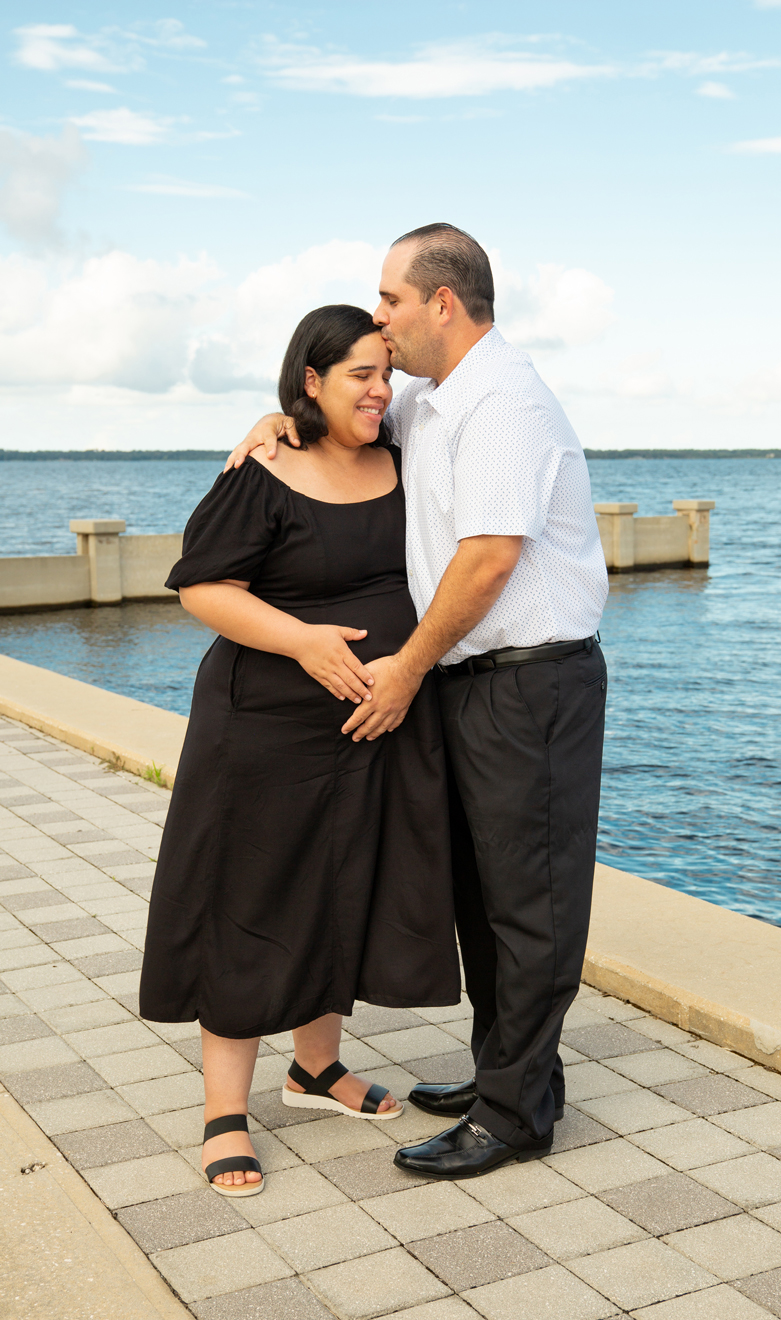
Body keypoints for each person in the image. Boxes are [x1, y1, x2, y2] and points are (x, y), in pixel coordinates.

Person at [227, 223, 609, 1179]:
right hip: (471, 686)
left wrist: (401, 670)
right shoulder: (433, 405)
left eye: (390, 300)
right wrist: (276, 422)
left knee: (532, 905)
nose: (382, 323)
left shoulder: (504, 404)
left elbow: (488, 558)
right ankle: (503, 1073)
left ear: (443, 301)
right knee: (482, 898)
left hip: (532, 683)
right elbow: (345, 430)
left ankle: (517, 1116)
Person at [139, 304, 460, 1197]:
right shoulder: (266, 466)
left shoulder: (400, 459)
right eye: (360, 373)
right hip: (264, 728)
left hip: (370, 726)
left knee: (340, 887)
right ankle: (224, 1113)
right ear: (310, 380)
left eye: (386, 373)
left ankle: (316, 1070)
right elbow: (203, 588)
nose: (381, 389)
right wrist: (305, 642)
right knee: (247, 898)